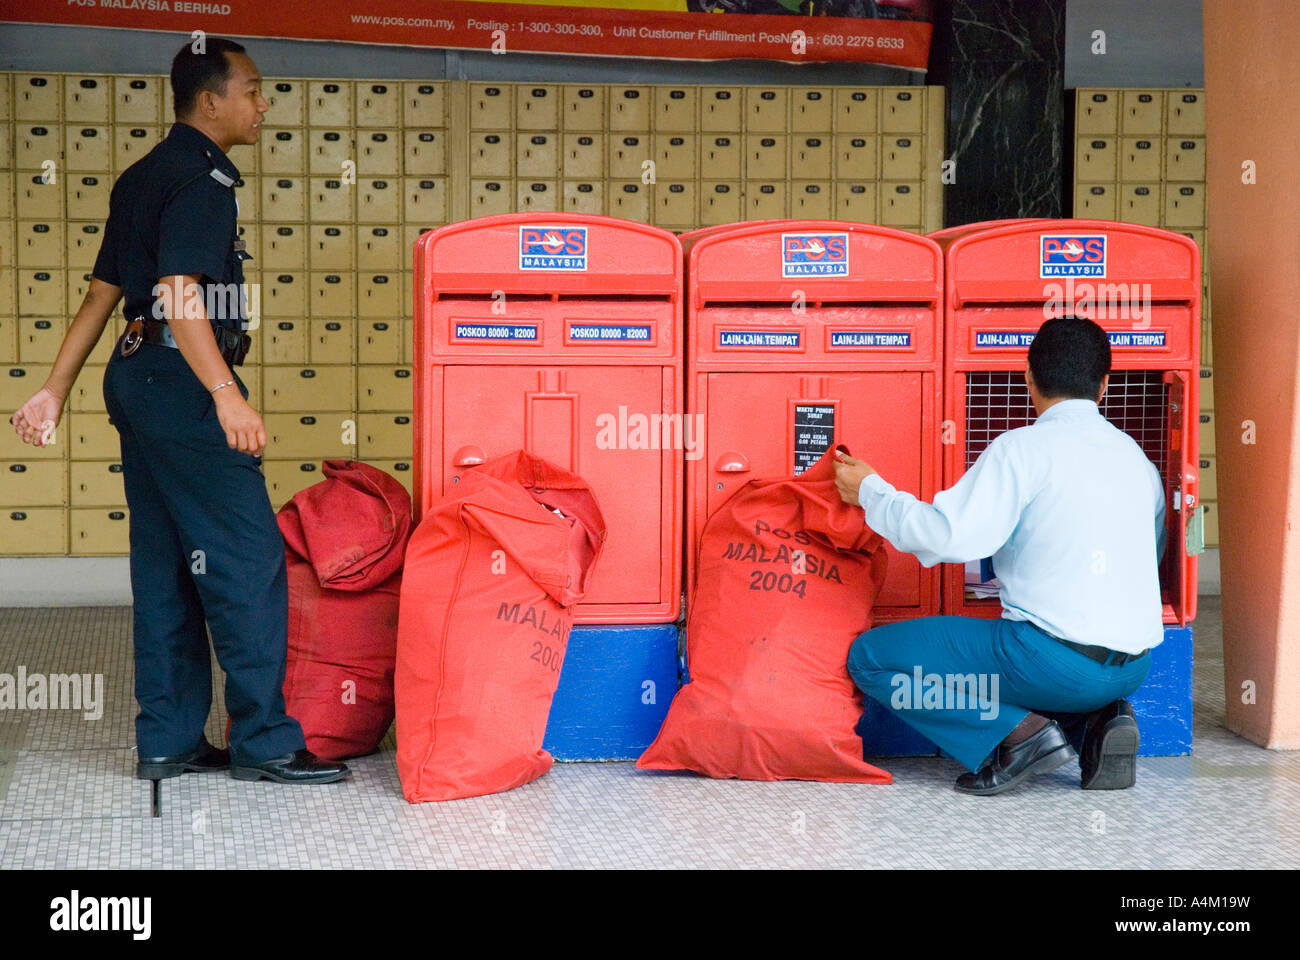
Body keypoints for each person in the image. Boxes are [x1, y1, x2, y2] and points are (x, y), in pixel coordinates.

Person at [7, 39, 348, 784]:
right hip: (183, 383)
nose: (263, 106)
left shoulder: (141, 176)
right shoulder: (202, 181)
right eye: (253, 92)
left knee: (166, 564)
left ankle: (168, 738)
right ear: (210, 102)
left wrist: (54, 389)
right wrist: (227, 393)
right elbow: (178, 293)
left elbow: (102, 294)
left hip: (135, 378)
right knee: (247, 556)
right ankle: (265, 741)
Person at [834, 316, 1165, 796]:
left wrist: (870, 491)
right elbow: (1145, 554)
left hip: (1048, 665)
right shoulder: (1138, 459)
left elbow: (947, 537)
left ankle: (1021, 735)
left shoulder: (1021, 450)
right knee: (1055, 655)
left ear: (1028, 376)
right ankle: (1100, 719)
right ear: (1105, 385)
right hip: (1133, 666)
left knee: (871, 659)